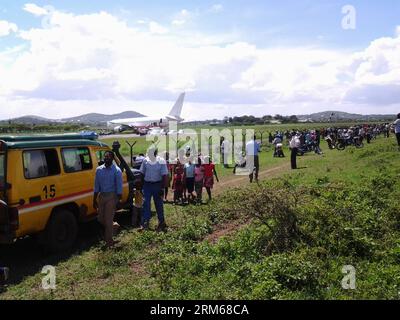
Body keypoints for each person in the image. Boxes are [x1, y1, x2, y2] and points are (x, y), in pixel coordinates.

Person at [93, 151, 123, 248]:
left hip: (112, 196)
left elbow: (119, 187)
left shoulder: (117, 171)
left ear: (112, 158)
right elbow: (96, 186)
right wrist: (94, 199)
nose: (106, 158)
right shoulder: (99, 170)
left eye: (109, 156)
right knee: (101, 219)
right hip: (101, 196)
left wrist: (118, 200)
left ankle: (109, 243)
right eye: (105, 156)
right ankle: (114, 225)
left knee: (108, 219)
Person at [139, 147, 169, 232]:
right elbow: (142, 173)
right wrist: (141, 186)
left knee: (158, 204)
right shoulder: (145, 161)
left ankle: (161, 222)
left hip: (157, 185)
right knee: (146, 203)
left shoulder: (161, 161)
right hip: (147, 185)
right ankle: (145, 222)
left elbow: (164, 176)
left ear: (155, 153)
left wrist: (162, 188)